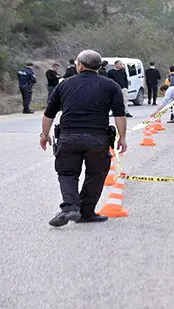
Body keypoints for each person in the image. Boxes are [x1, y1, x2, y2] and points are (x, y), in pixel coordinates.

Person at [40, 49, 128, 227]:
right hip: (98, 138)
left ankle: (70, 207)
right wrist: (122, 138)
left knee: (67, 173)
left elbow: (49, 113)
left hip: (68, 137)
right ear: (98, 66)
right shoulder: (111, 86)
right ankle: (86, 213)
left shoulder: (64, 84)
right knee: (96, 174)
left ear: (79, 64)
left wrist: (45, 135)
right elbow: (120, 114)